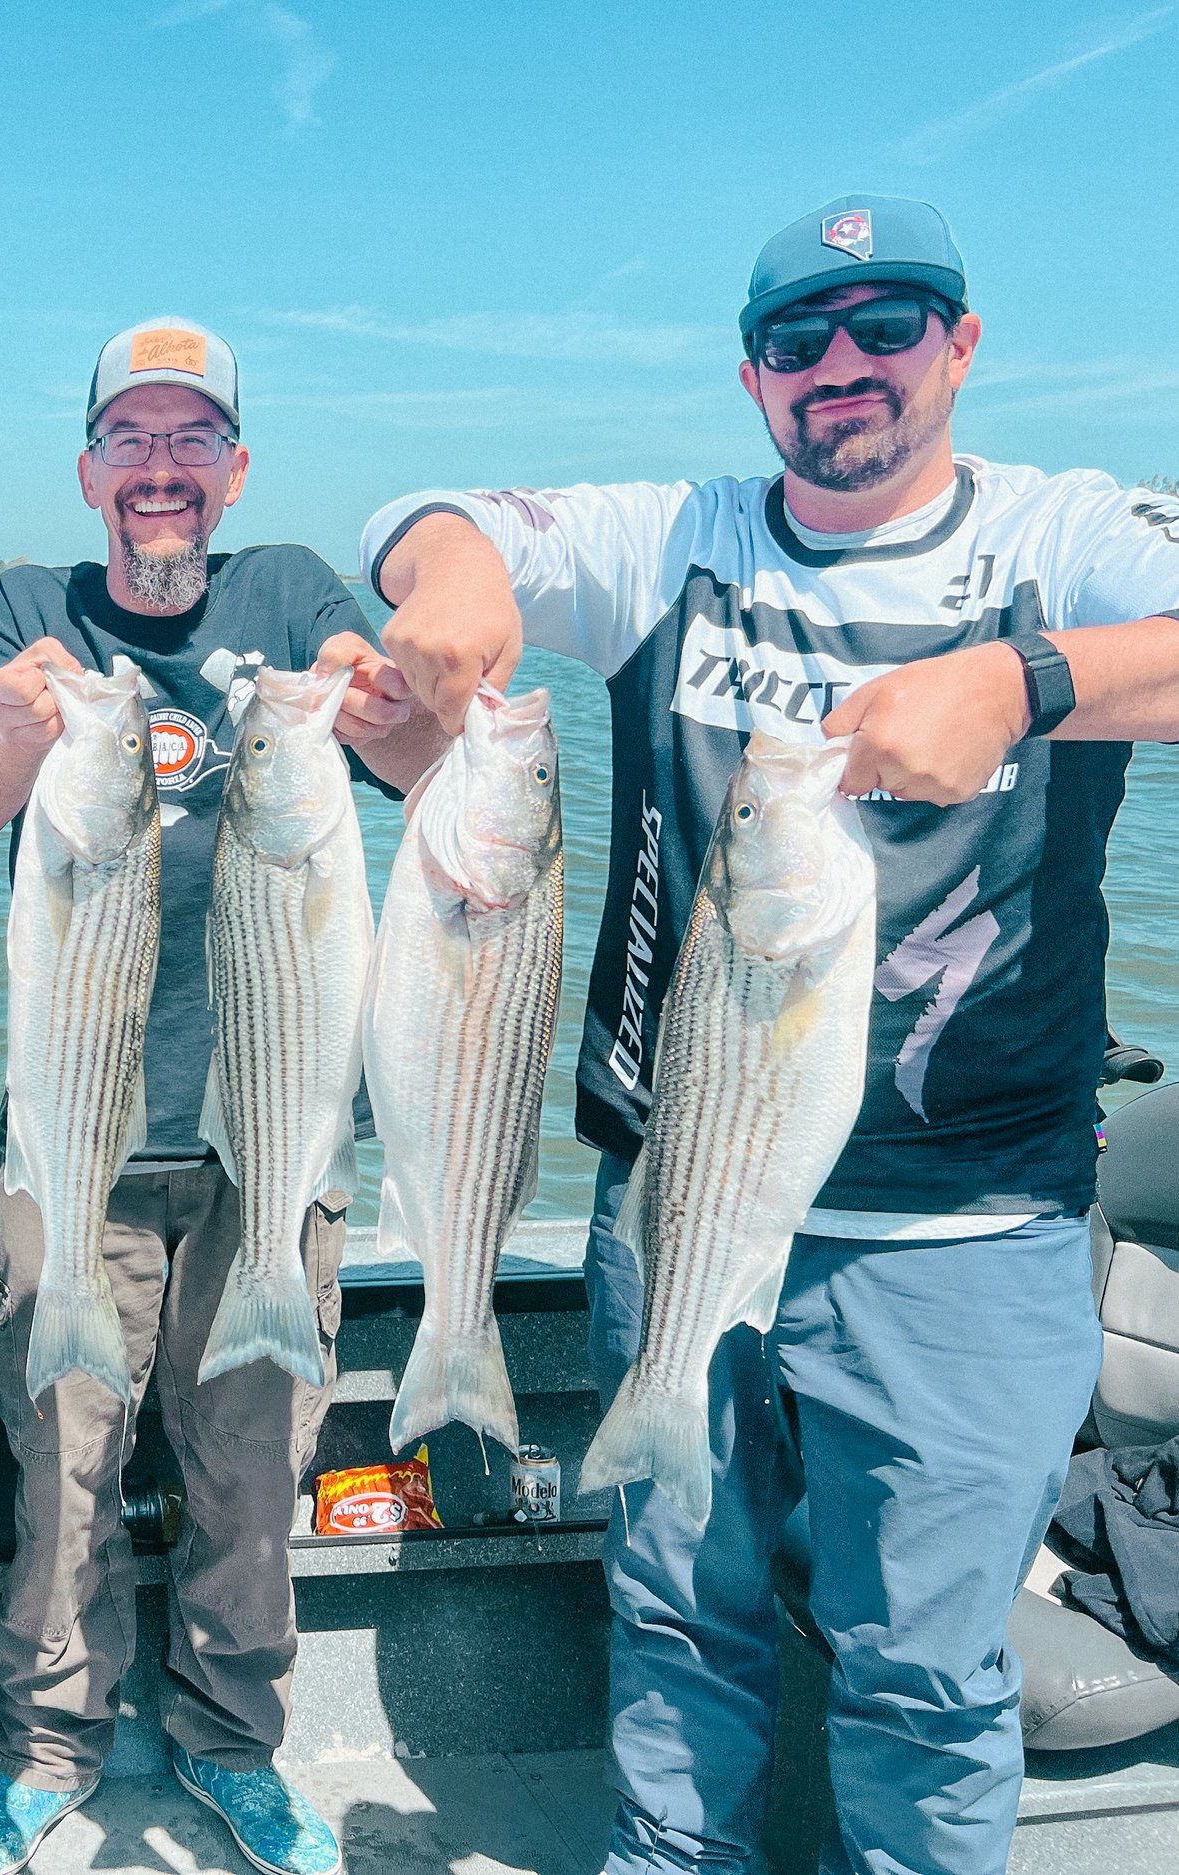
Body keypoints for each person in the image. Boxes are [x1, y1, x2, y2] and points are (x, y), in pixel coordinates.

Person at [362, 195, 1179, 1875]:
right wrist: (445, 579)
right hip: (677, 1199)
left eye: (889, 325)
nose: (844, 367)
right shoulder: (683, 539)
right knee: (673, 1627)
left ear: (962, 344)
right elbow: (438, 522)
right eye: (800, 339)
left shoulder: (1064, 533)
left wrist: (1022, 683)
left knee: (928, 1674)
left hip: (970, 1221)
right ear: (754, 376)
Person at [0, 318, 442, 1875]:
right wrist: (19, 724)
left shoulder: (289, 591)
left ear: (233, 468)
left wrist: (386, 691)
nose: (161, 471)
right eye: (132, 442)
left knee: (251, 1469)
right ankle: (47, 1748)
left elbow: (426, 770)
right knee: (62, 1462)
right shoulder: (29, 610)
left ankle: (231, 1741)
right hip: (76, 1131)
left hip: (275, 1138)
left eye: (192, 440)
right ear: (89, 469)